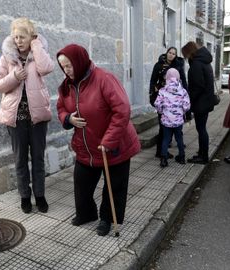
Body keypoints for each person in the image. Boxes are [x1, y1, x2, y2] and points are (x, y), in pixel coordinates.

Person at [56, 44, 141, 236]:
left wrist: (109, 141)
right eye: (63, 66)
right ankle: (86, 214)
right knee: (81, 184)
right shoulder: (67, 85)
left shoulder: (104, 79)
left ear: (79, 61)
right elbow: (61, 107)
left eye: (69, 65)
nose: (66, 70)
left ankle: (107, 219)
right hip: (85, 146)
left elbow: (122, 110)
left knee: (114, 186)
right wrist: (68, 118)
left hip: (113, 145)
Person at [0, 18, 54, 214]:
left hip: (37, 118)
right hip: (16, 118)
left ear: (31, 36)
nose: (19, 40)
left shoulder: (38, 54)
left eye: (23, 37)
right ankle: (25, 197)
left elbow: (47, 68)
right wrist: (14, 77)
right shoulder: (7, 57)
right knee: (20, 160)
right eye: (16, 36)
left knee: (38, 159)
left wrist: (36, 44)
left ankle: (40, 195)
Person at [149, 47, 188, 159]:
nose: (171, 55)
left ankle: (164, 151)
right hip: (163, 99)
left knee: (175, 129)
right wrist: (152, 96)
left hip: (176, 100)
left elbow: (183, 81)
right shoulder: (158, 65)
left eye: (173, 54)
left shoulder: (177, 65)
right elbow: (152, 81)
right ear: (166, 53)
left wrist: (185, 95)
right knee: (163, 128)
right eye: (169, 53)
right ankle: (160, 152)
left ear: (176, 55)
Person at [181, 41, 216, 164]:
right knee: (202, 129)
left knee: (201, 130)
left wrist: (189, 102)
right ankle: (202, 152)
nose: (185, 58)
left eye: (185, 54)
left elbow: (197, 87)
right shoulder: (205, 62)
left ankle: (203, 156)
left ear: (189, 52)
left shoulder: (196, 64)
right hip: (206, 102)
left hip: (201, 103)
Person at [154, 68, 191, 167]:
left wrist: (162, 111)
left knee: (166, 139)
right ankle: (182, 157)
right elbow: (187, 105)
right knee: (179, 138)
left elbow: (157, 104)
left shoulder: (162, 90)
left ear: (167, 77)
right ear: (178, 77)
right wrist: (181, 111)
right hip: (178, 121)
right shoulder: (182, 91)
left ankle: (163, 159)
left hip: (166, 120)